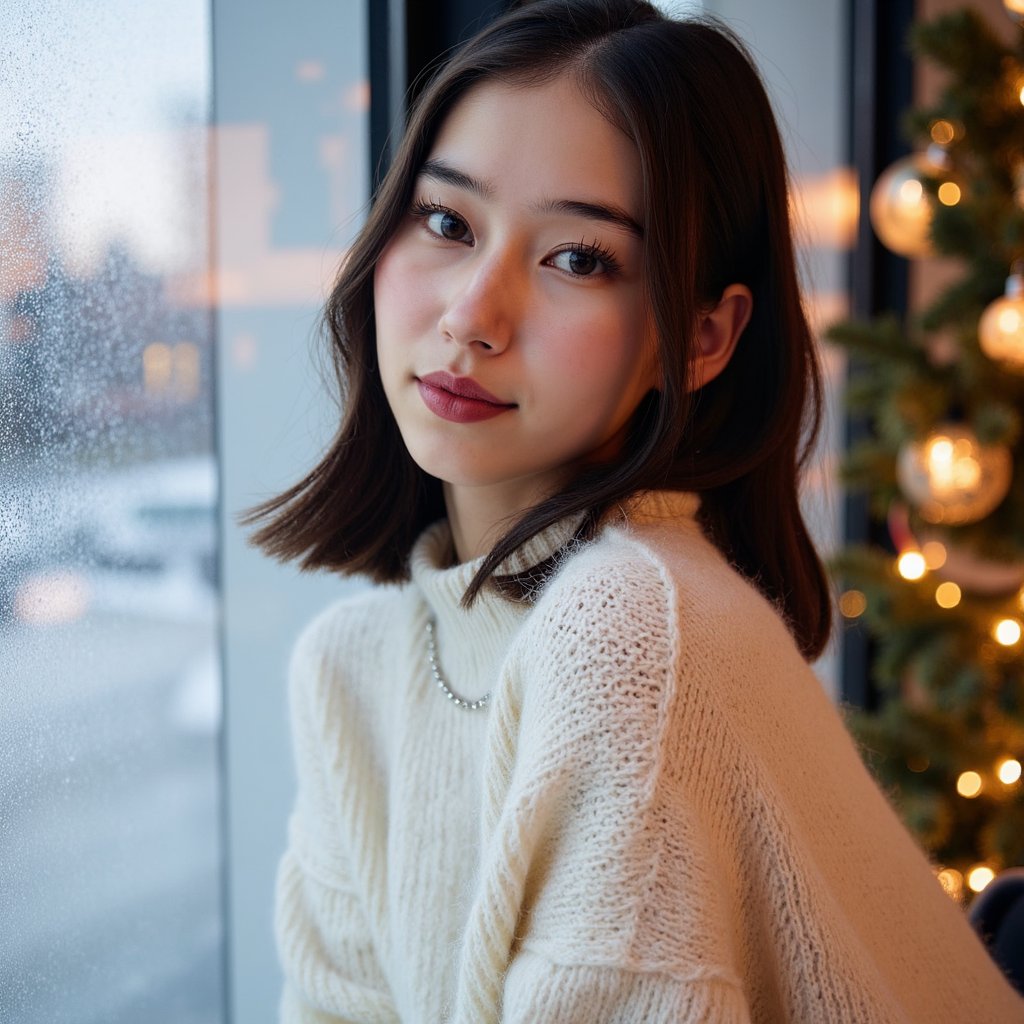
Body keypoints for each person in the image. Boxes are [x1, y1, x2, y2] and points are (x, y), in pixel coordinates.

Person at [247, 1, 1024, 1020]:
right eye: (447, 221)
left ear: (699, 339)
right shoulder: (350, 669)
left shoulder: (631, 627)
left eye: (577, 258)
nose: (472, 315)